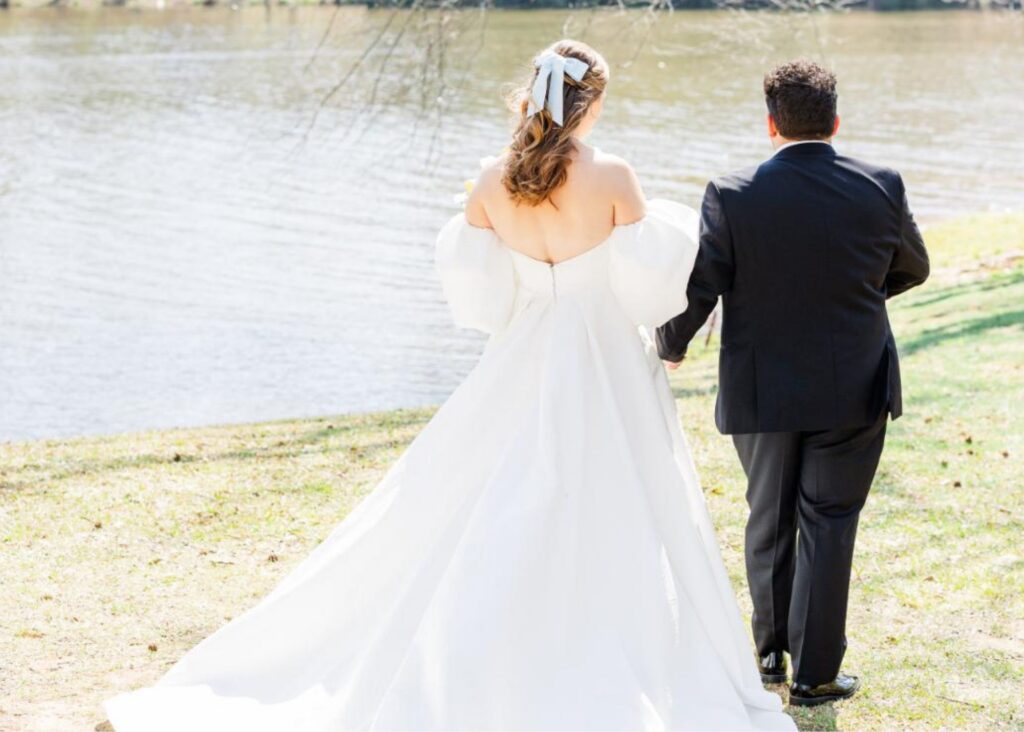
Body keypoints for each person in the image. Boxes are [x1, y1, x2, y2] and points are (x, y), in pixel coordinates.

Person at [103, 40, 796, 731]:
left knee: (497, 491)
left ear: (535, 95)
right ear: (595, 102)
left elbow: (480, 292)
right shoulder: (614, 175)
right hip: (605, 357)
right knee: (624, 494)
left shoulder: (493, 180)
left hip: (523, 353)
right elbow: (651, 292)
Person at [657, 59, 930, 707]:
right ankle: (815, 675)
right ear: (834, 122)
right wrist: (862, 294)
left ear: (770, 124)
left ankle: (770, 656)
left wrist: (671, 345)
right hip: (853, 384)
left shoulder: (732, 192)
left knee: (769, 519)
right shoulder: (881, 184)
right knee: (830, 522)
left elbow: (702, 287)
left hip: (763, 387)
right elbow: (913, 268)